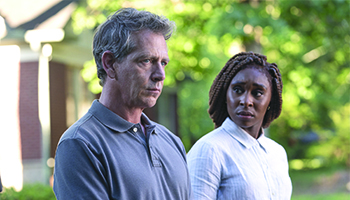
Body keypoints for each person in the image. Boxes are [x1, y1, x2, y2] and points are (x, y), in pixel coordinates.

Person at [53, 8, 191, 200]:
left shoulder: (171, 142)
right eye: (146, 61)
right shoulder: (80, 144)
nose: (160, 75)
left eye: (163, 63)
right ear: (109, 64)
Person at [187, 52, 292, 200]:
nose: (246, 101)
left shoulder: (277, 152)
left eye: (257, 93)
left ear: (271, 100)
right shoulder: (210, 149)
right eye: (238, 90)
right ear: (225, 94)